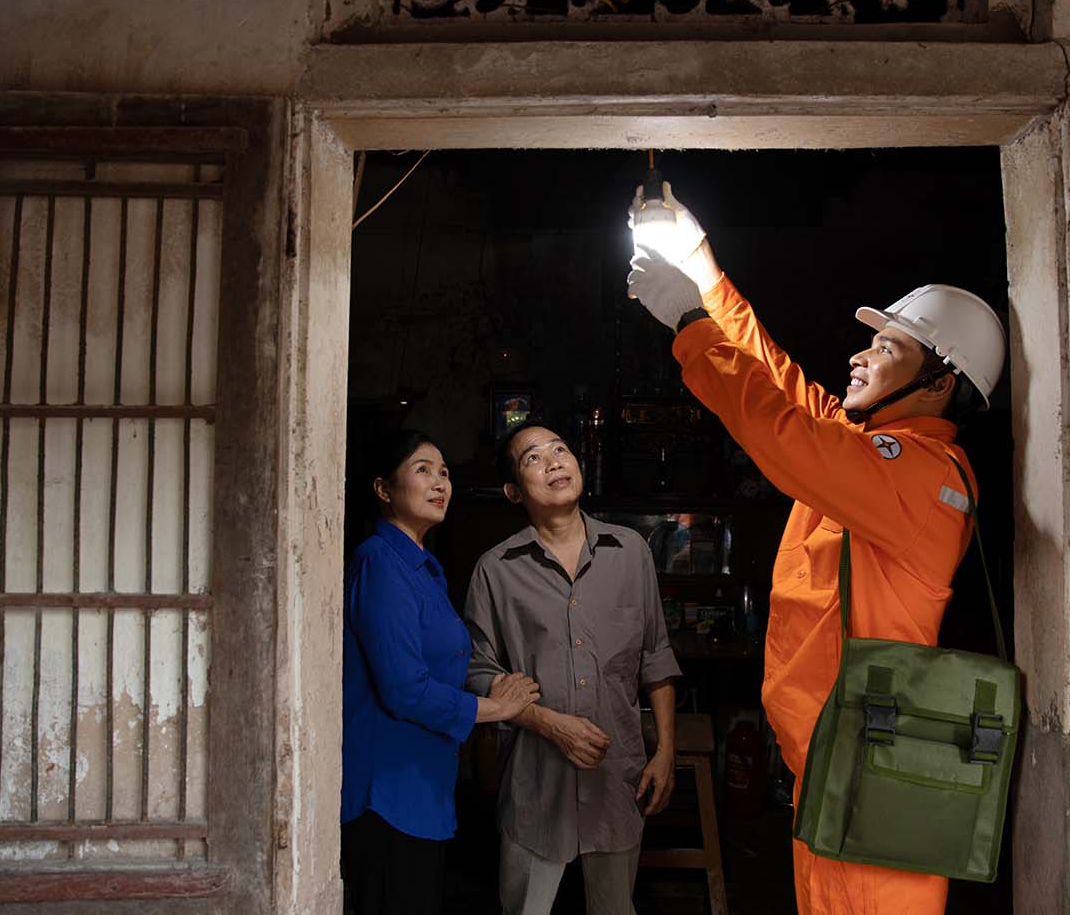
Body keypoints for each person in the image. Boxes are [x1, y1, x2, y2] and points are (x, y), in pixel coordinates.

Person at [624, 184, 1006, 915]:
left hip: (879, 771)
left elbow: (781, 431)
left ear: (941, 382)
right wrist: (701, 266)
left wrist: (688, 326)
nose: (861, 357)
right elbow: (776, 380)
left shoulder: (922, 476)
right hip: (836, 764)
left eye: (888, 347)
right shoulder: (873, 453)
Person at [464, 420, 682, 915]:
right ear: (514, 491)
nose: (554, 461)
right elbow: (477, 670)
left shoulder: (631, 553)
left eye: (560, 450)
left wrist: (666, 751)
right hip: (535, 783)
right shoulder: (495, 569)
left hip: (617, 778)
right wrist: (544, 721)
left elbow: (656, 656)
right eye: (533, 457)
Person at [342, 429, 541, 915]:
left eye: (445, 473)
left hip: (422, 782)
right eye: (422, 470)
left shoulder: (423, 568)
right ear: (384, 489)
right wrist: (498, 708)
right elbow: (404, 689)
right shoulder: (380, 562)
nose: (440, 483)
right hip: (387, 790)